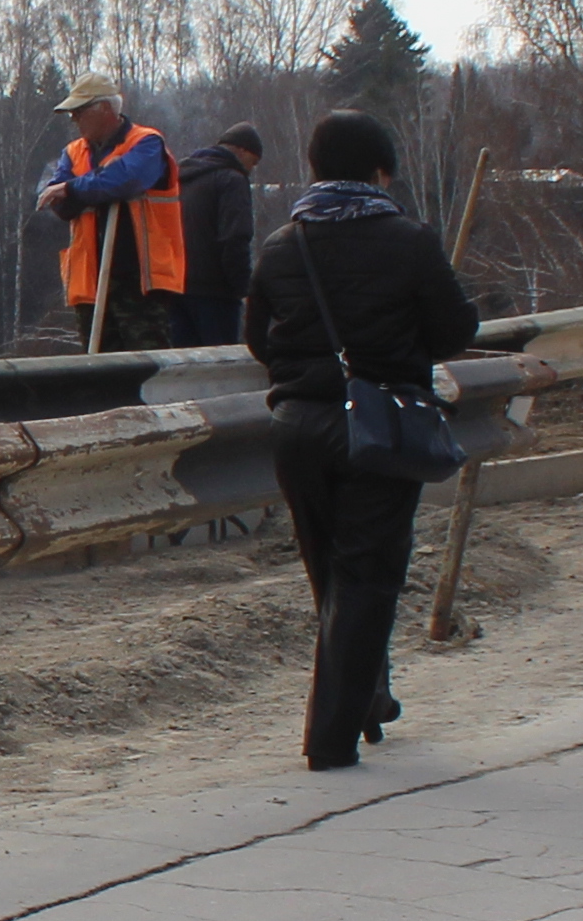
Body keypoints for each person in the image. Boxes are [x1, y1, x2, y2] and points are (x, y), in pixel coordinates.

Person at [244, 109, 483, 774]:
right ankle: (332, 734)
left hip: (297, 425)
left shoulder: (281, 245)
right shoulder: (408, 240)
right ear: (382, 172)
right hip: (378, 421)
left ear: (315, 169)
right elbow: (452, 330)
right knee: (369, 574)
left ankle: (368, 693)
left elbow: (257, 339)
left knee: (330, 570)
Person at [36, 73, 185, 347]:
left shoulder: (147, 143)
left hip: (141, 281)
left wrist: (76, 188)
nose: (74, 120)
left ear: (104, 109)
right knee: (100, 373)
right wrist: (87, 188)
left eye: (79, 112)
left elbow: (126, 180)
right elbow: (58, 203)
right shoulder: (73, 152)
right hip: (90, 284)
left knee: (147, 363)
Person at [177, 123, 263, 349]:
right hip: (216, 294)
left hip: (175, 289)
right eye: (253, 162)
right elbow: (235, 238)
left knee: (184, 370)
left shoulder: (181, 177)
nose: (251, 170)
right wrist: (243, 289)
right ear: (242, 151)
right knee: (220, 367)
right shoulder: (232, 180)